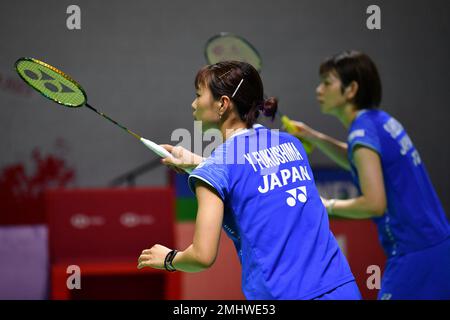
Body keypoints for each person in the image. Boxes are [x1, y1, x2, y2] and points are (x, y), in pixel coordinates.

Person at [137, 61, 361, 300]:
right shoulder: (291, 145)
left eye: (198, 95)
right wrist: (199, 163)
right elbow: (250, 171)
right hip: (342, 287)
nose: (193, 104)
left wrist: (169, 259)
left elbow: (201, 256)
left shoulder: (215, 170)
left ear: (223, 104)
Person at [286, 51, 450, 300]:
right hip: (436, 246)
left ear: (351, 89)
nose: (319, 89)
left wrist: (325, 205)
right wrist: (314, 138)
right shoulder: (379, 122)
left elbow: (374, 204)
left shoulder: (362, 132)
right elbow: (359, 159)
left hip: (414, 253)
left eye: (327, 83)